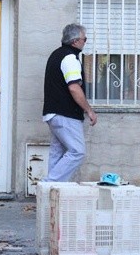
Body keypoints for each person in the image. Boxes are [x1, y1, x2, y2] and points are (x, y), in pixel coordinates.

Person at [41, 23, 98, 182]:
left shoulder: (55, 55)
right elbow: (74, 88)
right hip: (65, 114)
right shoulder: (70, 58)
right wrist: (89, 110)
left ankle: (51, 195)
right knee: (77, 152)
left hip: (53, 113)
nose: (85, 42)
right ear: (75, 41)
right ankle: (49, 184)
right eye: (84, 39)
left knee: (57, 153)